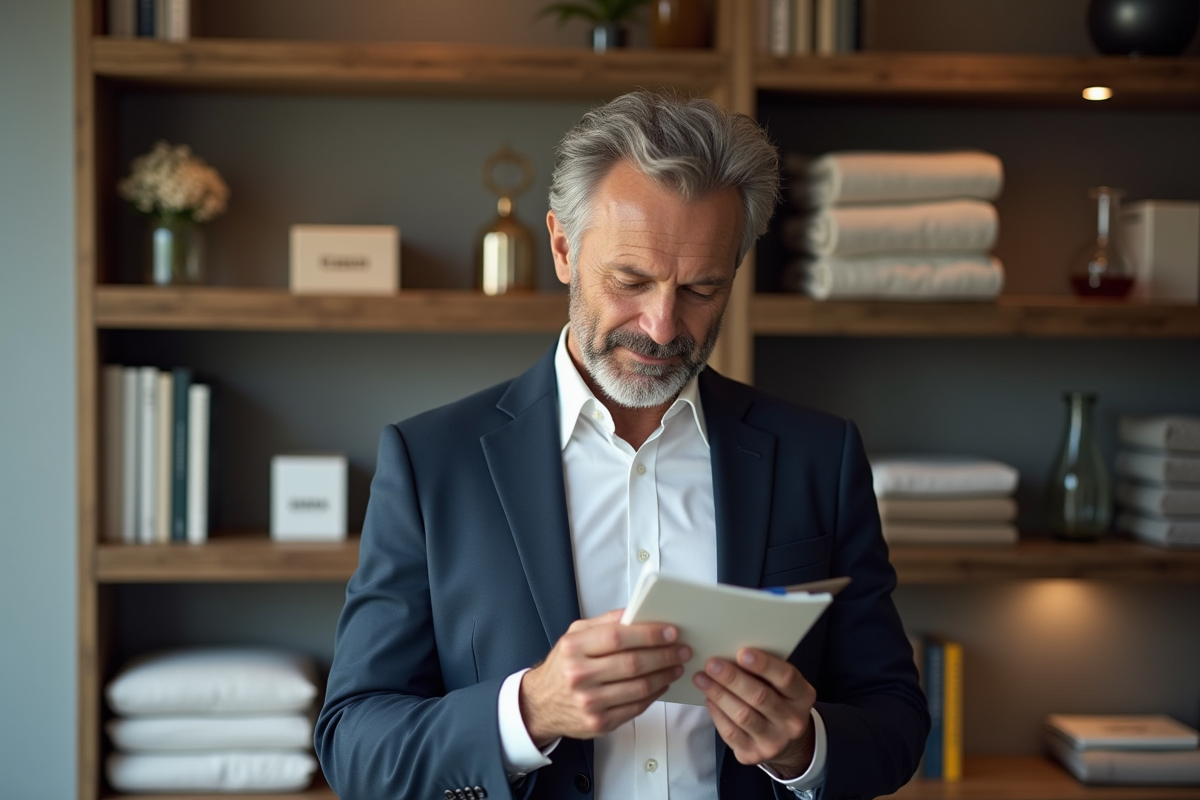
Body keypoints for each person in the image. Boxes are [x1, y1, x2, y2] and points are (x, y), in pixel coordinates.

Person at [315, 90, 928, 800]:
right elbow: (354, 744)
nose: (664, 326)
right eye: (631, 281)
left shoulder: (820, 456)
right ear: (563, 247)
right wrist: (530, 710)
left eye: (702, 288)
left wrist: (802, 746)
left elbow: (896, 721)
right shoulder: (431, 464)